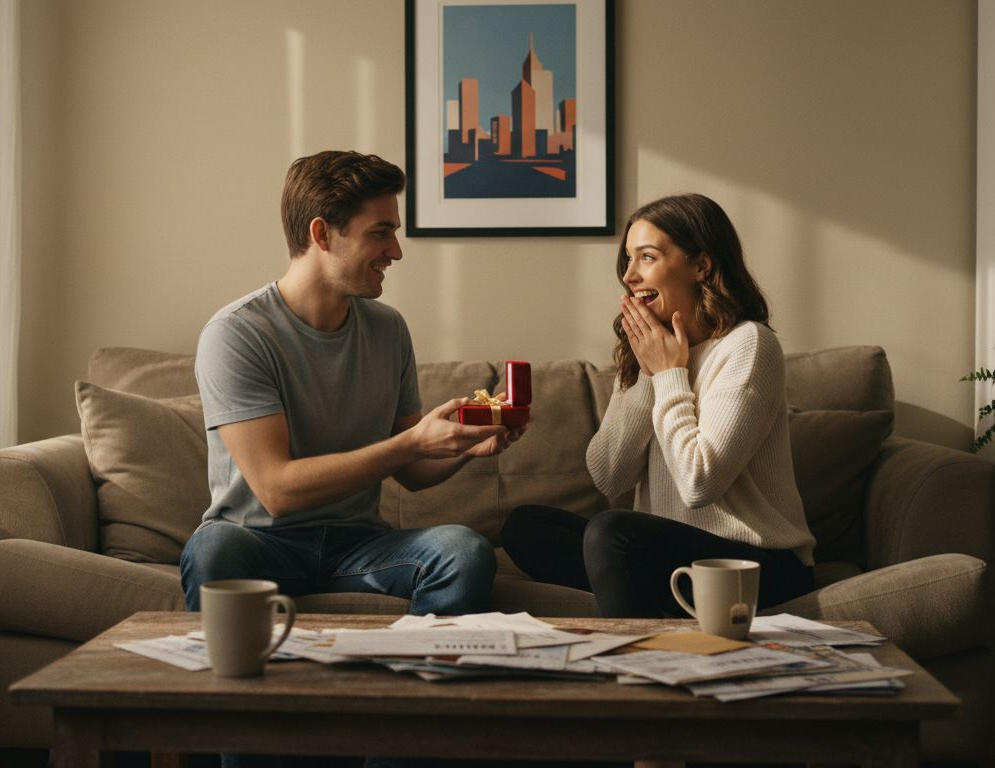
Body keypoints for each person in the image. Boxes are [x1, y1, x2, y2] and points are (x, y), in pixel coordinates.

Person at [180, 150, 526, 619]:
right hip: (258, 541)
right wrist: (413, 442)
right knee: (212, 550)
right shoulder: (237, 334)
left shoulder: (387, 329)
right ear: (322, 234)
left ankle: (414, 662)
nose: (396, 251)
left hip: (359, 545)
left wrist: (466, 445)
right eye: (380, 233)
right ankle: (246, 670)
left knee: (463, 551)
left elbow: (412, 471)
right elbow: (277, 491)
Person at [501, 193, 815, 619]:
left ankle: (639, 635)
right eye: (628, 260)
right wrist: (649, 373)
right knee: (526, 527)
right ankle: (643, 591)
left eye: (647, 257)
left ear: (701, 266)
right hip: (669, 554)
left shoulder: (748, 345)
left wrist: (669, 374)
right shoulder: (647, 350)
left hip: (755, 565)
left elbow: (699, 484)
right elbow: (609, 476)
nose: (629, 275)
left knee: (611, 533)